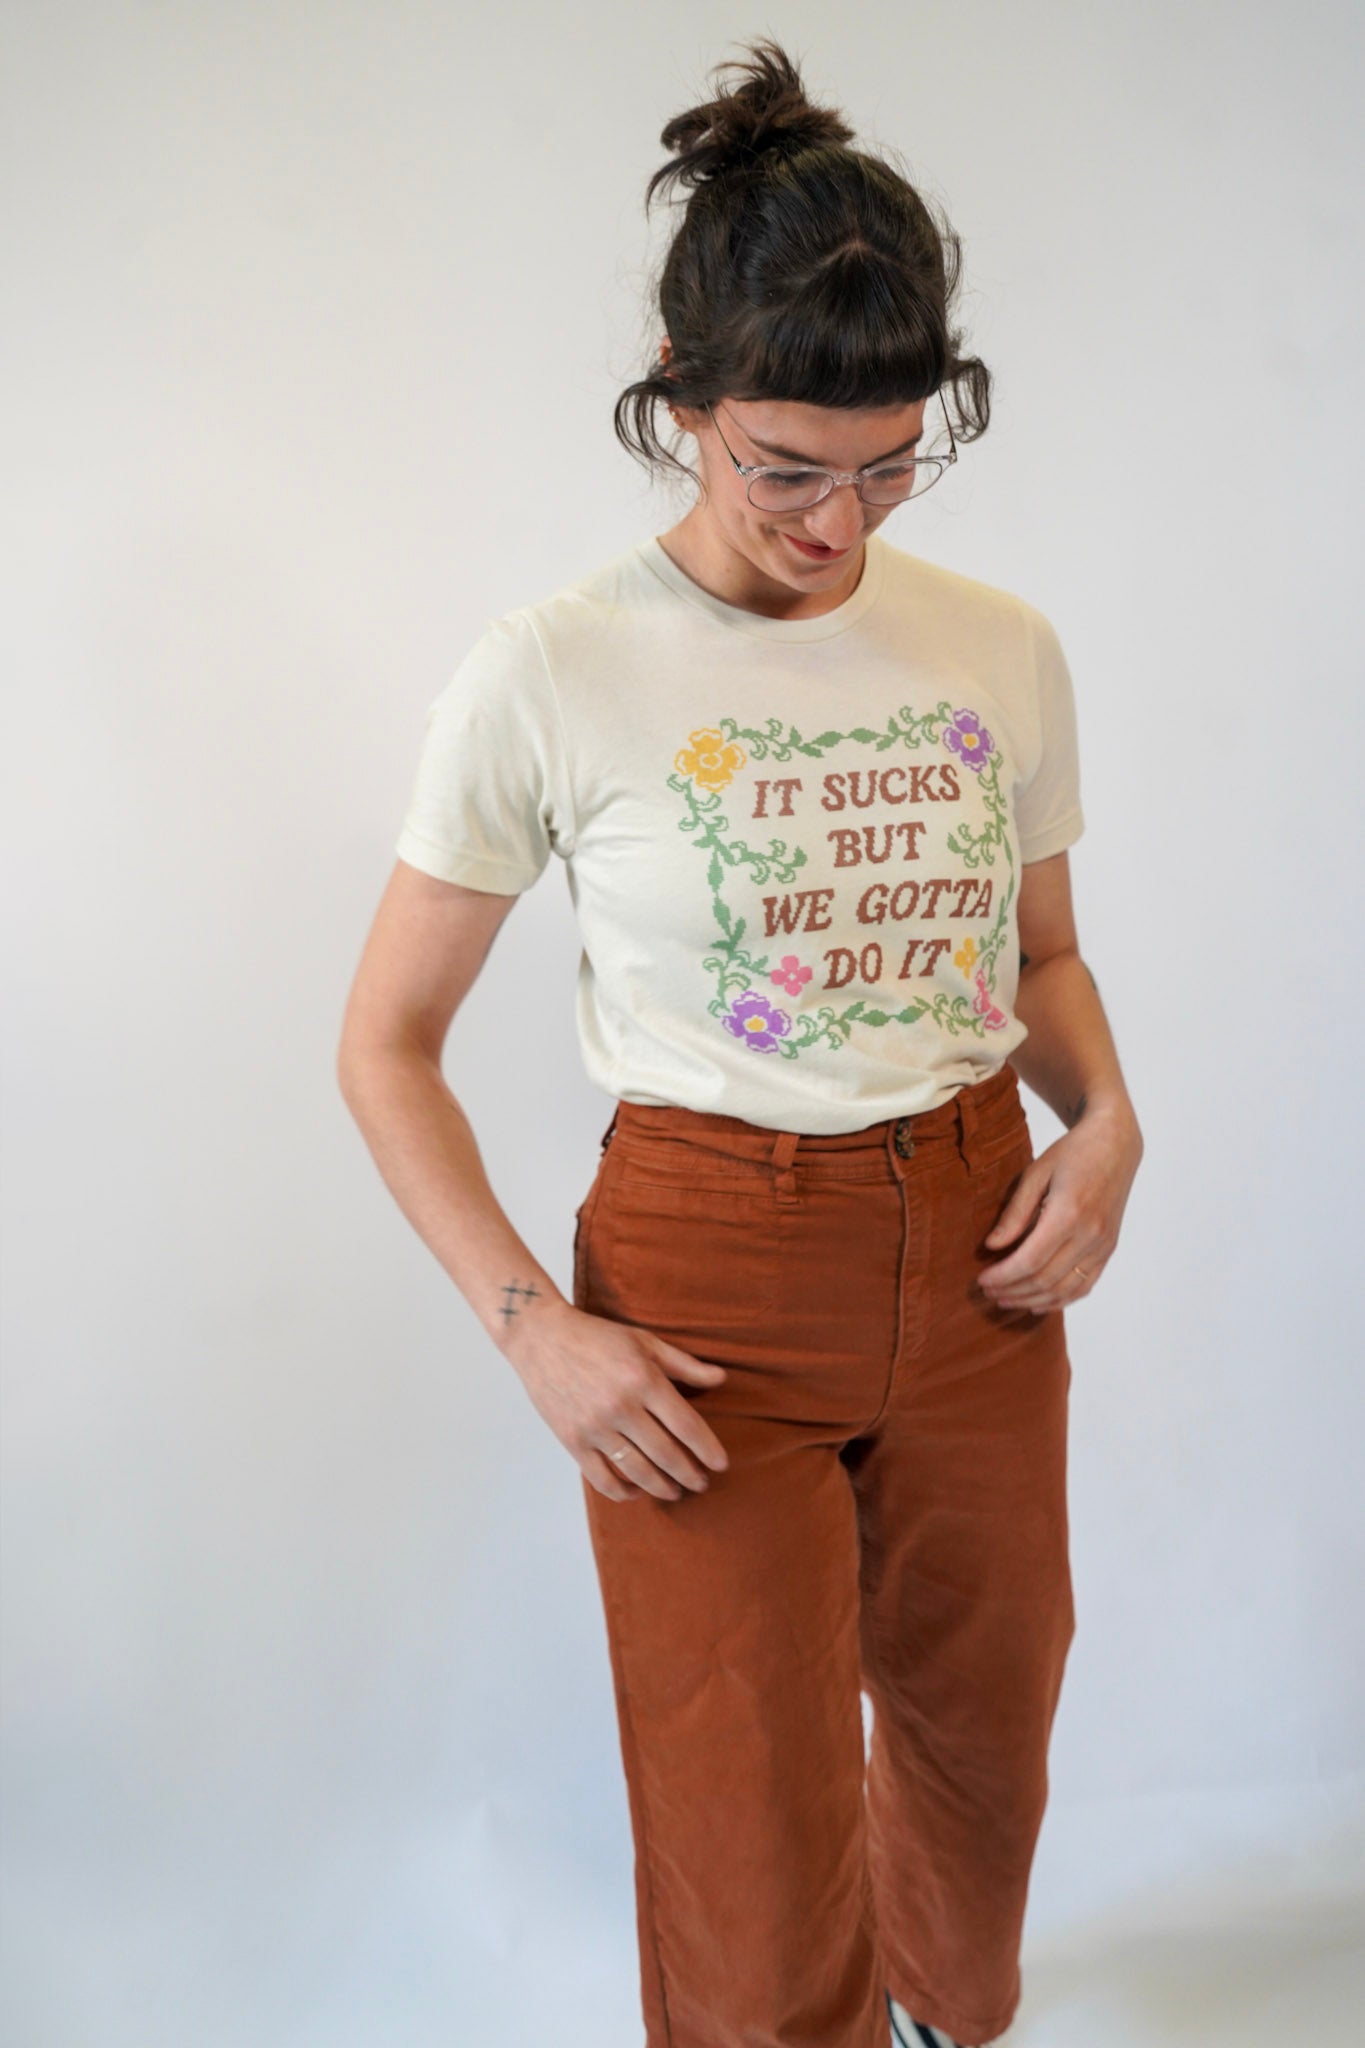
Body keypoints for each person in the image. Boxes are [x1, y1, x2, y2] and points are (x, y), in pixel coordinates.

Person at [337, 35, 1143, 2048]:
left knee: (983, 1739)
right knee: (746, 1815)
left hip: (980, 1252)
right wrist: (535, 1327)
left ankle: (937, 2019)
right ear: (678, 401)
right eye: (783, 465)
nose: (834, 518)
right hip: (709, 1279)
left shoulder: (996, 644)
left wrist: (1109, 1118)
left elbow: (1040, 957)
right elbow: (386, 1041)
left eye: (887, 464)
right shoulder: (549, 672)